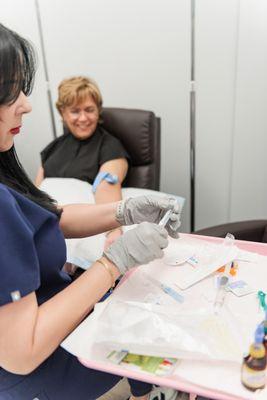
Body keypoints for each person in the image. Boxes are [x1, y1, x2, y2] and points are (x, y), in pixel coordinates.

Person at [0, 23, 182, 400]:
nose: (26, 103)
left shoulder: (11, 161)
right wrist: (113, 262)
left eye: (89, 109)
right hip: (37, 367)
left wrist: (123, 212)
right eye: (10, 90)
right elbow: (21, 353)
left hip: (58, 305)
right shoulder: (50, 153)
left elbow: (50, 212)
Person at [35, 75, 129, 250]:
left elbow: (107, 188)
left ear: (98, 110)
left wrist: (114, 232)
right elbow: (36, 193)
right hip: (47, 233)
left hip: (83, 239)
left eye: (89, 110)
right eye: (75, 111)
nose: (83, 118)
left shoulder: (110, 146)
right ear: (63, 113)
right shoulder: (51, 149)